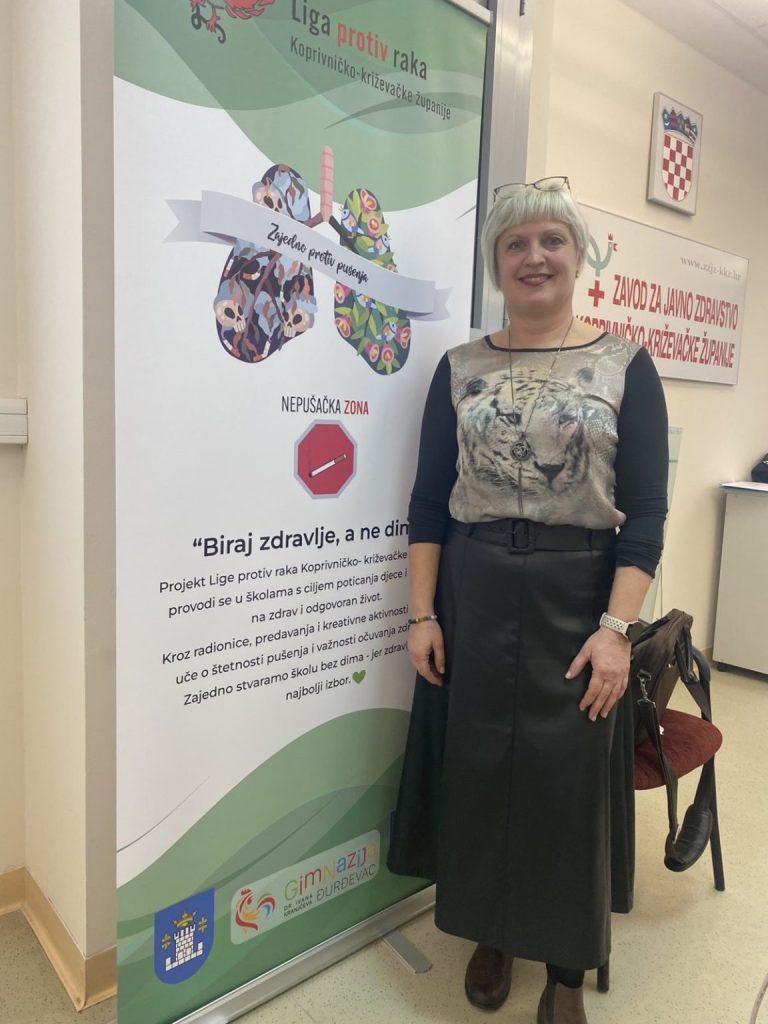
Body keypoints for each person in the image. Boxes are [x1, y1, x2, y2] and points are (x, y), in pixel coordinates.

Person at [387, 177, 668, 1024]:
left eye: (551, 240)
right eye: (515, 244)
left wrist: (616, 631)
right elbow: (428, 502)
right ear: (496, 263)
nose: (534, 256)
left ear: (578, 257)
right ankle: (490, 931)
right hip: (473, 589)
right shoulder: (460, 368)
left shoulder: (626, 364)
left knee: (565, 781)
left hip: (580, 597)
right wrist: (422, 614)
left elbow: (646, 513)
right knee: (478, 770)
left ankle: (567, 968)